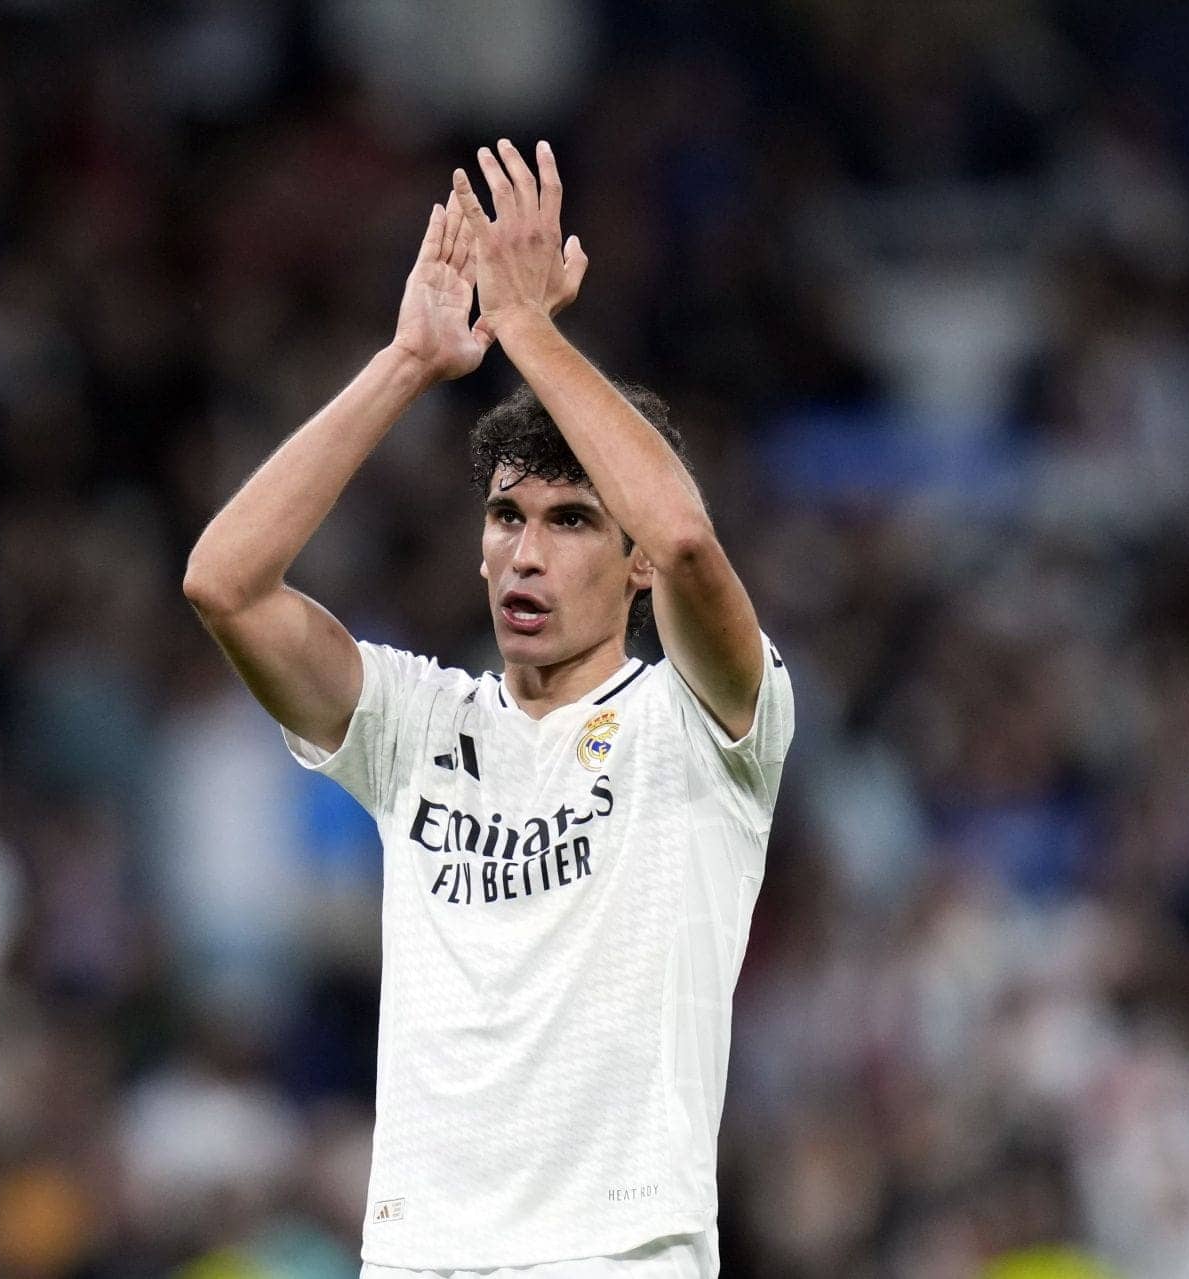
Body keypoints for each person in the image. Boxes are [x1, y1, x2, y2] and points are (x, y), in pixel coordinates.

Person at [183, 139, 793, 1277]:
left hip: (615, 1252)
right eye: (508, 517)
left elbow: (685, 537)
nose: (527, 553)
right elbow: (226, 583)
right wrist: (408, 362)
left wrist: (527, 330)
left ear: (630, 564)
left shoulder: (704, 725)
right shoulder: (414, 726)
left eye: (572, 522)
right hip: (420, 1253)